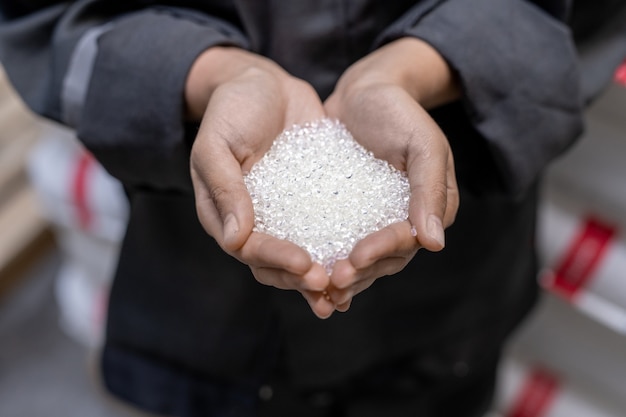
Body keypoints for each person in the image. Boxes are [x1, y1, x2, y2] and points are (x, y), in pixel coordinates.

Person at [0, 1, 585, 416]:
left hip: (447, 310)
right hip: (199, 305)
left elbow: (582, 14)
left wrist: (417, 67)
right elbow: (44, 19)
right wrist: (209, 74)